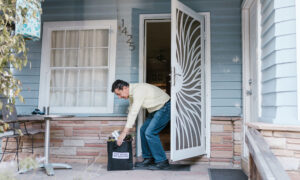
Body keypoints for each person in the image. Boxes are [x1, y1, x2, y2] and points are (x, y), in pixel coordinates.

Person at [111, 79, 171, 170]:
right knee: (143, 130)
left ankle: (162, 161)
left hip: (165, 107)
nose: (119, 97)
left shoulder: (138, 90)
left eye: (119, 94)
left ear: (124, 88)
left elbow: (134, 112)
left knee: (150, 132)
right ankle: (148, 158)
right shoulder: (131, 94)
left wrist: (124, 133)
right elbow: (131, 111)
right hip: (155, 110)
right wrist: (126, 130)